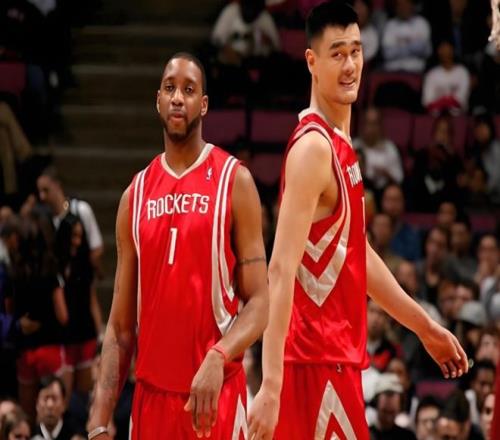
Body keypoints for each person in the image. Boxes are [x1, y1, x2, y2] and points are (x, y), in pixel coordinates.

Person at [248, 2, 468, 439]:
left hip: (331, 360)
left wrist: (424, 327)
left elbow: (356, 255)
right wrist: (270, 384)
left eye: (356, 51)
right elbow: (280, 270)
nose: (350, 66)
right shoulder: (313, 150)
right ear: (311, 61)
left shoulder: (340, 143)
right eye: (337, 54)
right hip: (313, 363)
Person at [87, 52, 269, 439]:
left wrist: (220, 354)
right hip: (151, 403)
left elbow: (260, 302)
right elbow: (120, 328)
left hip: (216, 398)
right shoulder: (134, 196)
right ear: (157, 100)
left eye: (189, 90)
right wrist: (99, 419)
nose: (177, 98)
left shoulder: (235, 182)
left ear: (204, 104)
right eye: (170, 88)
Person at [36, 167, 104, 277]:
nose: (42, 196)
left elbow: (96, 248)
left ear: (57, 185)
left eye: (46, 190)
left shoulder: (80, 209)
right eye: (40, 192)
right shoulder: (46, 221)